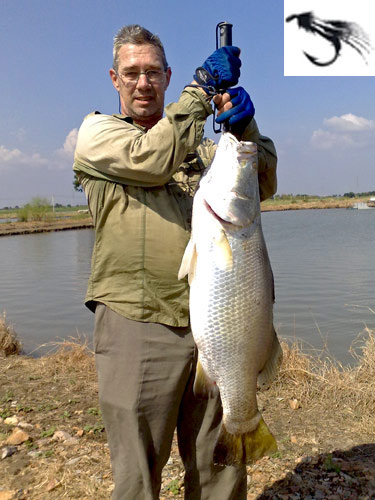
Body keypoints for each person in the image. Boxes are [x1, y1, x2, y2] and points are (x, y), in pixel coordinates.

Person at [73, 24, 277, 500]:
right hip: (136, 325)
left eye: (152, 72)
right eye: (131, 73)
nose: (142, 83)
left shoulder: (201, 152)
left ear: (166, 76)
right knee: (139, 473)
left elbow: (259, 179)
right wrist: (203, 89)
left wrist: (243, 127)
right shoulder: (98, 135)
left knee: (219, 472)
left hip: (213, 329)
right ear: (114, 78)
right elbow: (150, 160)